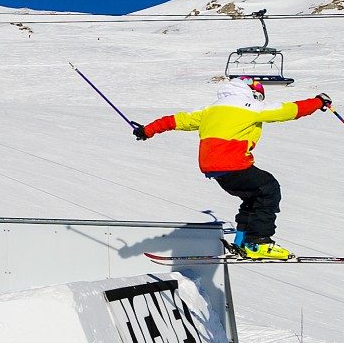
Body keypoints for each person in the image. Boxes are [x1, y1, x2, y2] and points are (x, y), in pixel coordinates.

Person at [133, 80, 329, 260]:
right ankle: (259, 242)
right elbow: (289, 110)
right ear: (250, 93)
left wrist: (147, 130)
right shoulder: (250, 106)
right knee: (268, 188)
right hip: (232, 163)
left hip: (212, 167)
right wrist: (318, 102)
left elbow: (175, 120)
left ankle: (242, 241)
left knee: (253, 197)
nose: (260, 99)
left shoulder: (209, 110)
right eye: (259, 95)